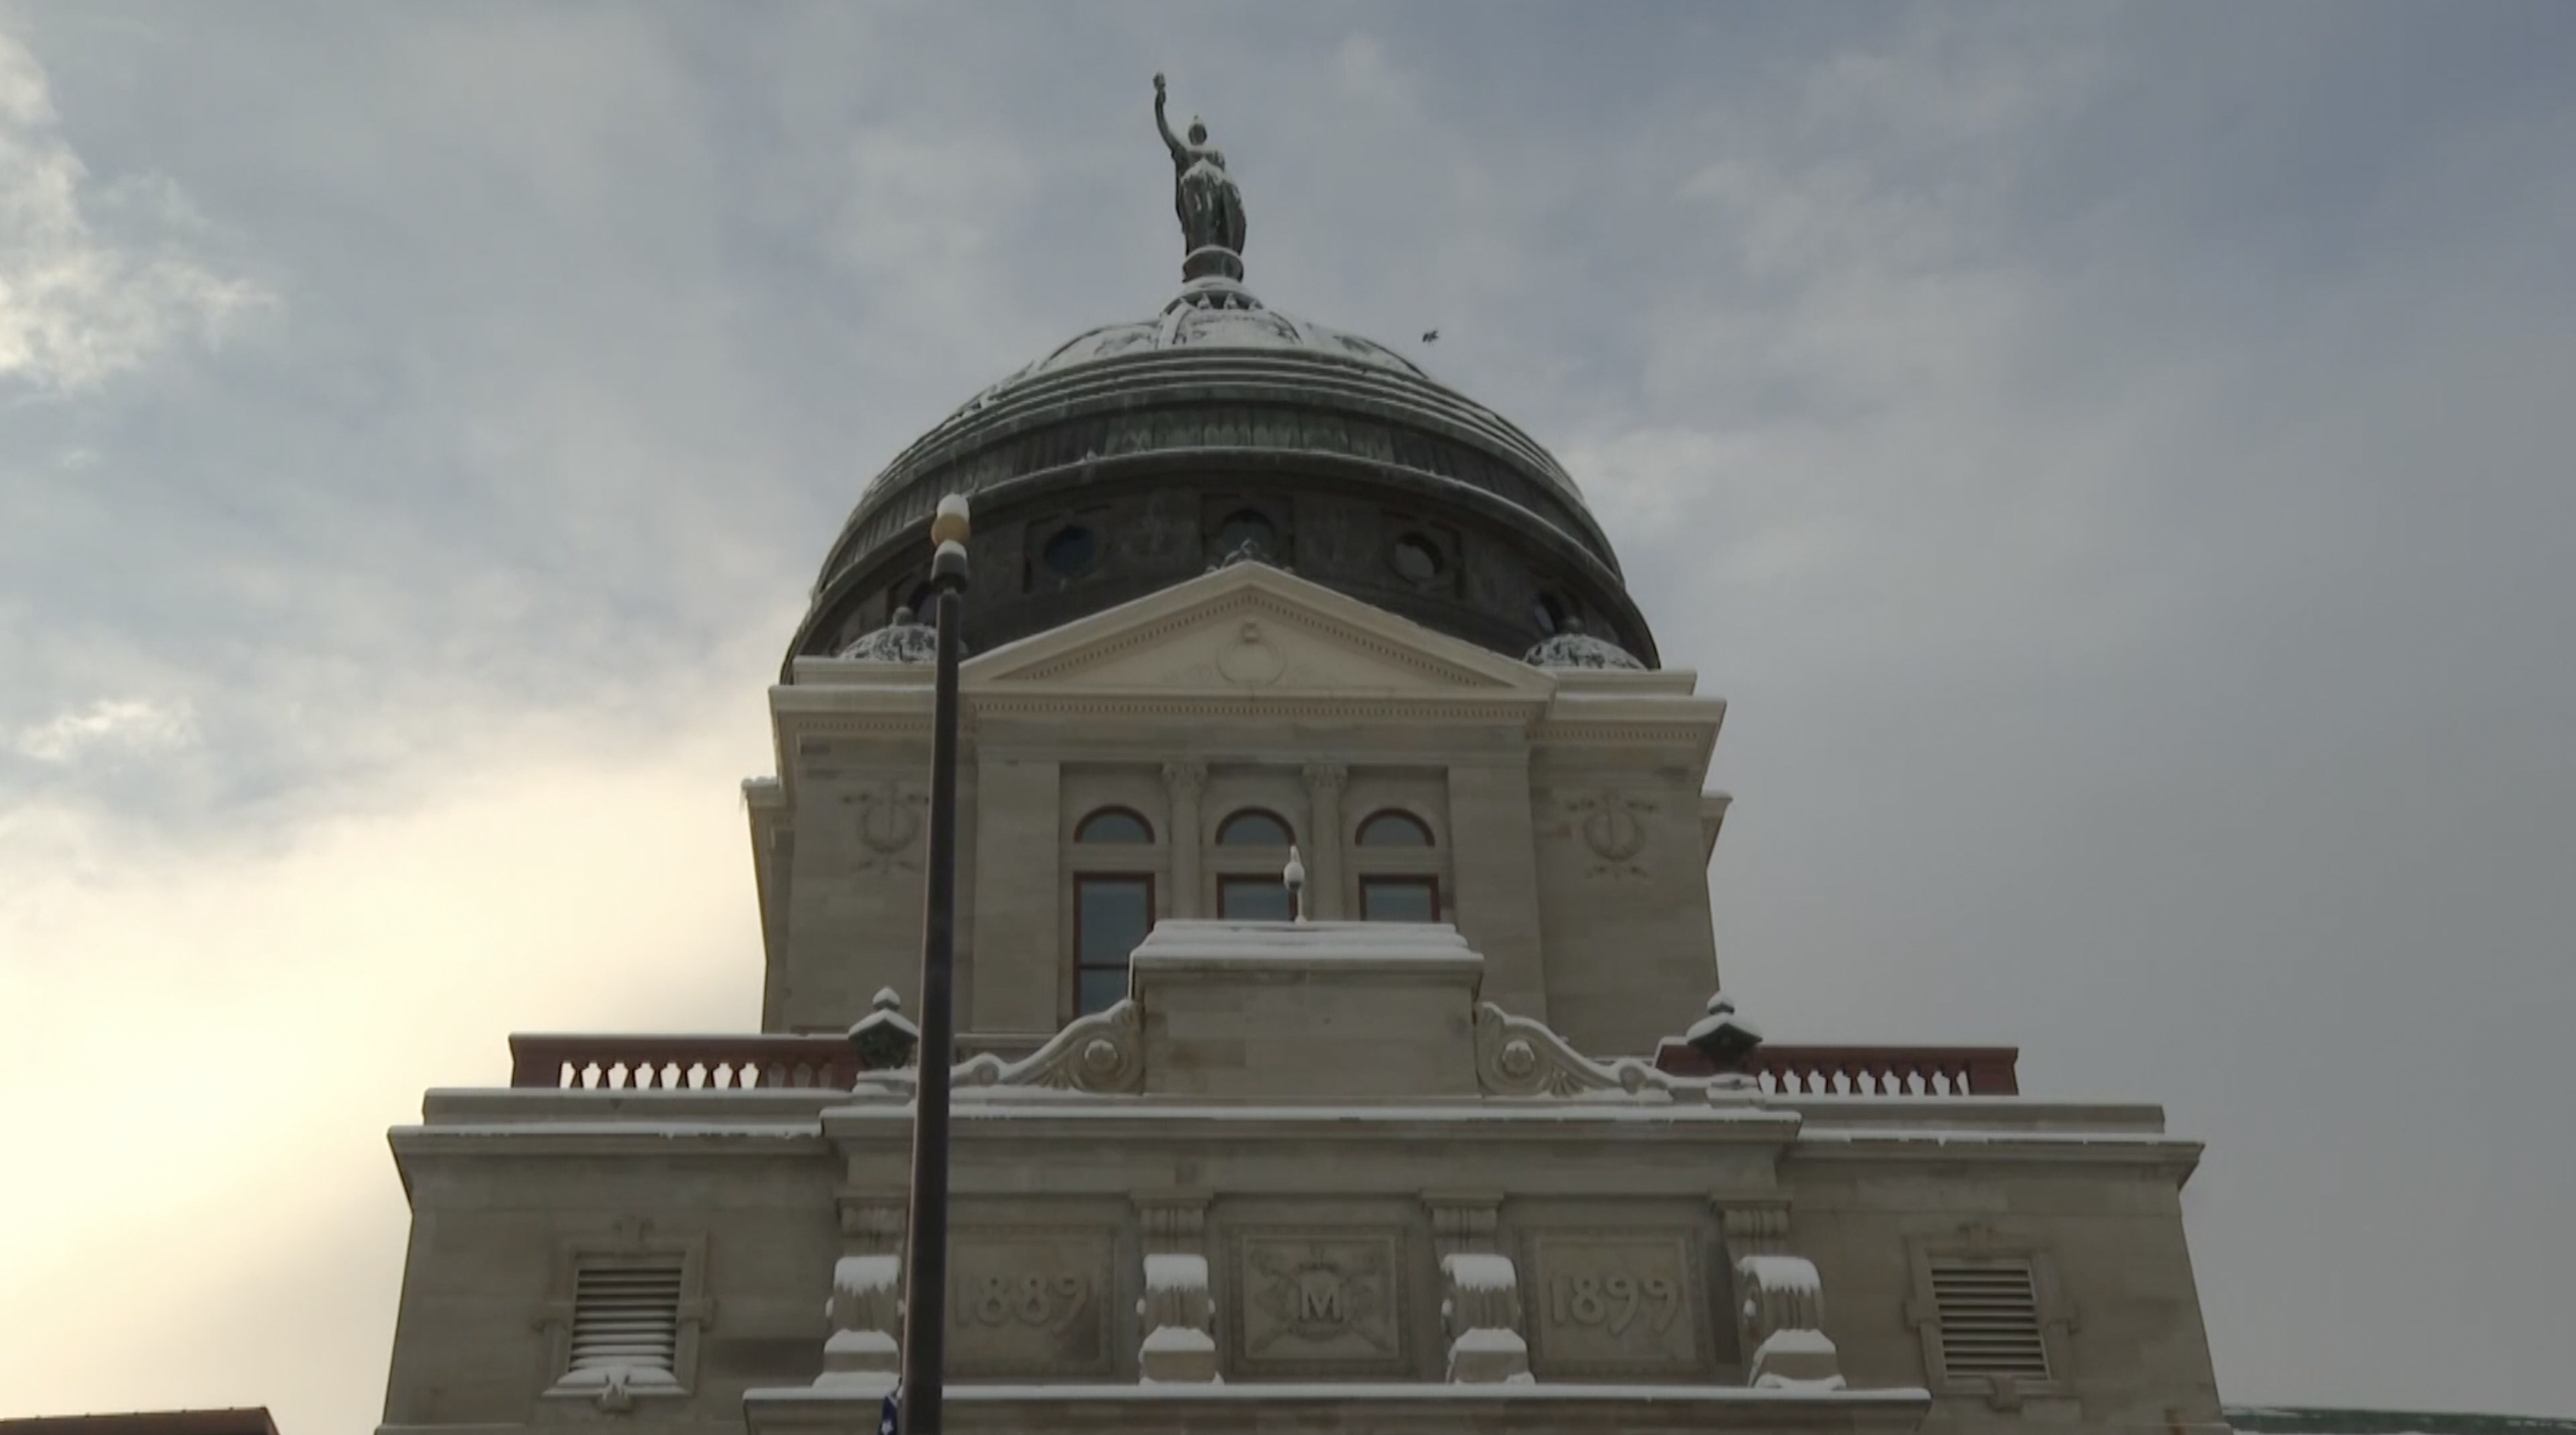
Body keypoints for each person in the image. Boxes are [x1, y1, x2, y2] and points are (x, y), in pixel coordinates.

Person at [1153, 72, 1247, 257]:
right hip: (1196, 196)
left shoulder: (1215, 153)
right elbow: (1165, 130)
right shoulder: (1186, 150)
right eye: (1194, 131)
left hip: (1217, 197)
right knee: (1198, 180)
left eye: (1200, 131)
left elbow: (1225, 179)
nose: (1197, 133)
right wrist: (1159, 101)